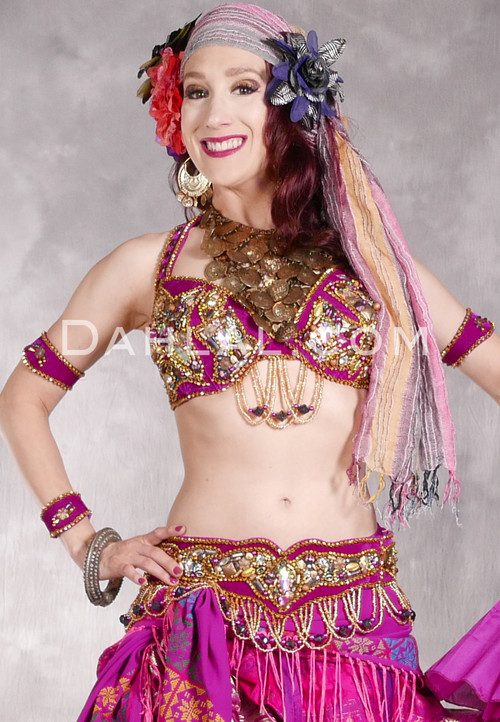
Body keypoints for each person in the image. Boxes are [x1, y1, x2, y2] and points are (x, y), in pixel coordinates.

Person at [0, 3, 499, 720]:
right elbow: (24, 397)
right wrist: (90, 544)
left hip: (351, 628)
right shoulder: (147, 267)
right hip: (199, 625)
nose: (214, 113)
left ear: (295, 108)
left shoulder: (373, 266)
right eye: (196, 91)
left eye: (244, 87)